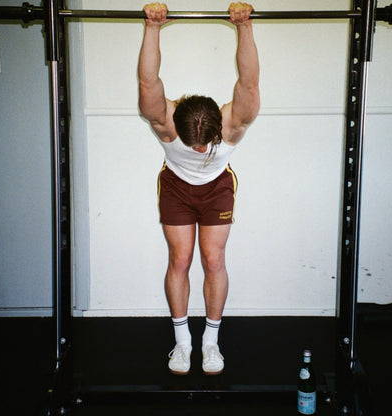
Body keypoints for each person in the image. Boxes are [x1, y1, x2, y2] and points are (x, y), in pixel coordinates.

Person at [138, 2, 260, 376]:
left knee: (213, 261)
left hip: (217, 188)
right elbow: (148, 83)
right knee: (180, 260)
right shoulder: (165, 120)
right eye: (193, 145)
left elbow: (249, 82)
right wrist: (153, 27)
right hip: (175, 186)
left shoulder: (235, 120)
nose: (200, 151)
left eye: (206, 144)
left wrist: (244, 27)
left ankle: (210, 342)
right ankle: (182, 343)